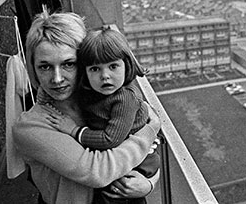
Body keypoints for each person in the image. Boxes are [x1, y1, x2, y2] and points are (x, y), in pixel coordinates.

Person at [12, 11, 161, 204]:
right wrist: (151, 129)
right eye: (45, 67)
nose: (57, 79)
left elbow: (150, 146)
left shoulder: (101, 99)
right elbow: (97, 171)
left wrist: (149, 182)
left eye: (68, 64)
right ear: (33, 68)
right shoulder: (31, 127)